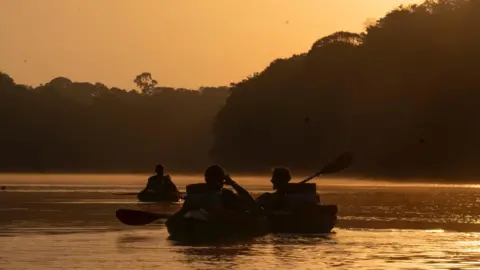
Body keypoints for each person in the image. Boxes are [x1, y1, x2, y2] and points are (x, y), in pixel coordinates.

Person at [181, 165, 262, 216]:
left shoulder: (193, 192)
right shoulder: (226, 194)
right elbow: (250, 202)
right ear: (222, 180)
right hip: (217, 222)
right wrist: (233, 183)